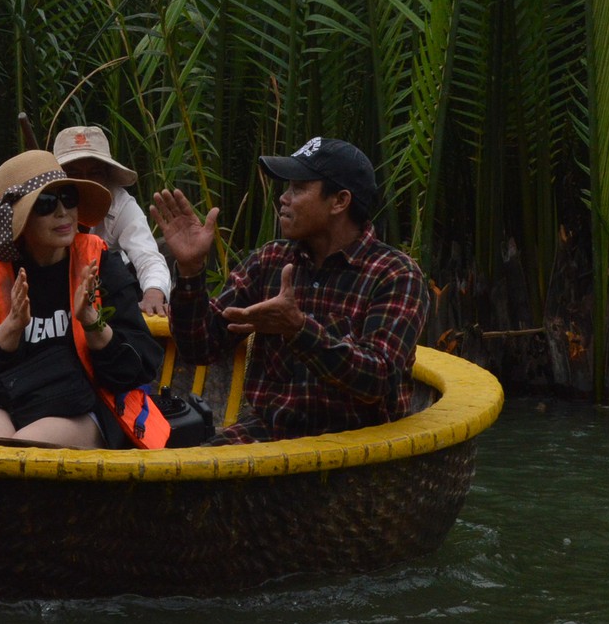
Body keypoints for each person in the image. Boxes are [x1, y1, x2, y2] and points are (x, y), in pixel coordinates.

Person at [149, 137, 426, 443]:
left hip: (360, 445)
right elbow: (200, 347)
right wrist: (190, 272)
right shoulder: (271, 260)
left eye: (298, 188)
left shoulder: (395, 273)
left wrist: (298, 329)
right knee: (188, 476)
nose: (283, 198)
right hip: (270, 435)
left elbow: (379, 379)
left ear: (339, 201)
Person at [0, 150, 169, 448]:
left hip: (85, 406)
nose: (63, 212)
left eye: (68, 197)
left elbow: (137, 366)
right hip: (12, 401)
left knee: (24, 448)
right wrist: (10, 329)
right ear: (20, 221)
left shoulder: (100, 262)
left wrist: (92, 323)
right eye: (45, 204)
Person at [52, 124, 172, 316]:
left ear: (107, 175)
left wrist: (154, 293)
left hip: (105, 296)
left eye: (93, 173)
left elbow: (147, 257)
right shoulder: (42, 206)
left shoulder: (120, 203)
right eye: (73, 174)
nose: (85, 183)